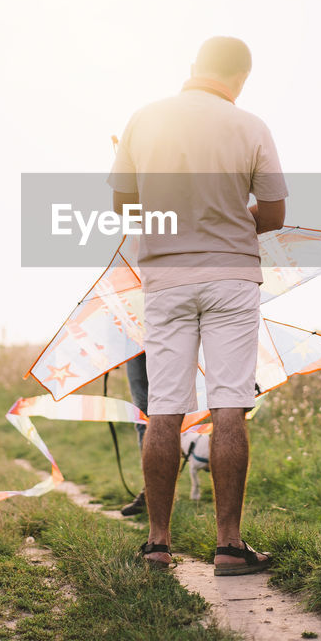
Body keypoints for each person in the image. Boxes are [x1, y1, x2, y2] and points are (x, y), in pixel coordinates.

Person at [108, 36, 287, 574]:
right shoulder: (251, 126)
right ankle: (229, 546)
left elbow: (122, 203)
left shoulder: (145, 119)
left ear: (194, 68)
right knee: (229, 405)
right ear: (241, 78)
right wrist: (228, 219)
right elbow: (274, 214)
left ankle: (158, 544)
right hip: (231, 277)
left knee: (164, 408)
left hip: (165, 279)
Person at [119, 352, 149, 516]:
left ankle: (157, 491)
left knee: (168, 411)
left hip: (169, 332)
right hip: (134, 342)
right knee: (143, 417)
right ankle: (151, 490)